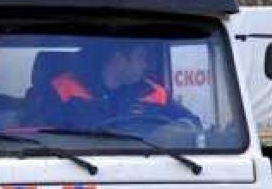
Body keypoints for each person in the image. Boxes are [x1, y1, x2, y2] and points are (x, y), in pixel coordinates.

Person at [37, 45, 199, 130]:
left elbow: (192, 124)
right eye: (140, 57)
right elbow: (38, 140)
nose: (146, 65)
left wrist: (173, 132)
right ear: (119, 59)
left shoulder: (155, 93)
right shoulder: (61, 91)